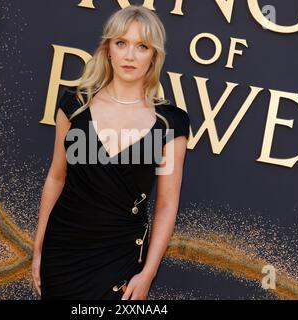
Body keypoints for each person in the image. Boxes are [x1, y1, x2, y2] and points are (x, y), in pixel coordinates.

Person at [32, 5, 190, 300]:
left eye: (141, 46)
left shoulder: (170, 122)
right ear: (108, 49)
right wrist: (39, 249)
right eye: (121, 43)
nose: (130, 55)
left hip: (120, 256)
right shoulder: (75, 105)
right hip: (64, 251)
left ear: (153, 55)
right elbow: (56, 177)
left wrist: (148, 273)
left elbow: (167, 205)